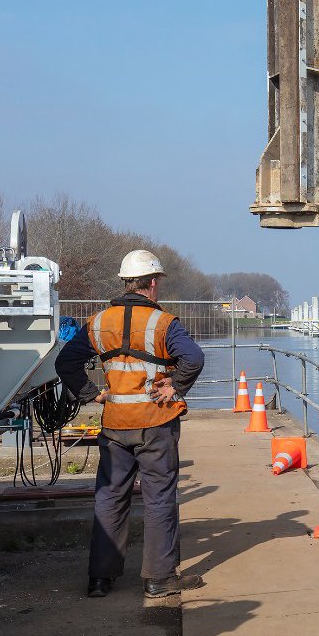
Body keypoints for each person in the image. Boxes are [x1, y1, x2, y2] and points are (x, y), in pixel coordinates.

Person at [54, 249, 206, 598]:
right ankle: (159, 579)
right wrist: (175, 385)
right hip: (155, 423)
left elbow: (66, 363)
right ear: (152, 283)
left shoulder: (98, 322)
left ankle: (100, 579)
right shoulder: (163, 323)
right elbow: (193, 358)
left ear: (125, 282)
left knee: (110, 497)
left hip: (115, 424)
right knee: (159, 498)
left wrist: (91, 394)